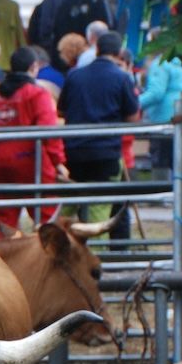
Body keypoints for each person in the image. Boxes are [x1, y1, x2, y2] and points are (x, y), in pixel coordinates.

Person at [0, 46, 67, 235]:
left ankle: (1, 260)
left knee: (3, 221)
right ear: (34, 67)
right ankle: (46, 260)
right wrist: (59, 162)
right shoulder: (38, 94)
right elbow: (48, 131)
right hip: (33, 164)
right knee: (47, 218)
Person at [57, 29, 140, 238]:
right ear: (119, 53)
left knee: (70, 202)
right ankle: (99, 256)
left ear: (96, 50)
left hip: (74, 151)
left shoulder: (74, 75)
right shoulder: (122, 78)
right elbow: (133, 117)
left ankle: (49, 246)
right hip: (106, 152)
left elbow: (61, 110)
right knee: (100, 209)